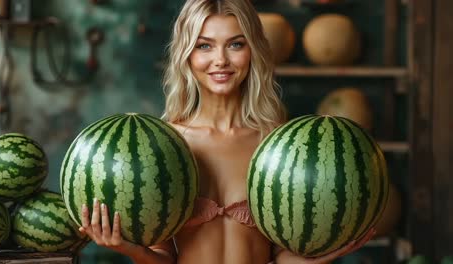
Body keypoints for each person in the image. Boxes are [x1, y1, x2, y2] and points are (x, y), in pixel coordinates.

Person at [78, 0, 375, 263]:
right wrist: (130, 249)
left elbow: (282, 253)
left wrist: (317, 259)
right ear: (187, 54)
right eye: (204, 45)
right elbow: (163, 257)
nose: (220, 60)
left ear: (253, 50)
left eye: (235, 44)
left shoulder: (279, 143)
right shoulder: (168, 144)